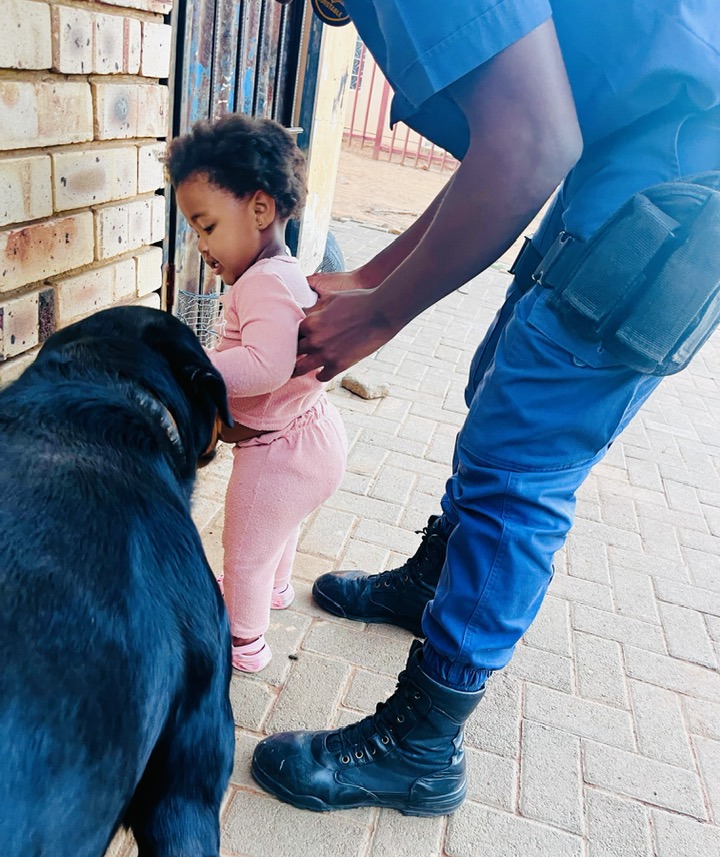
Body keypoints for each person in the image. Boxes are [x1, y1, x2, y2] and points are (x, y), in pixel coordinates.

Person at [251, 1, 720, 812]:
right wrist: (372, 280)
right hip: (618, 154)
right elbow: (519, 138)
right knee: (497, 380)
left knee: (523, 466)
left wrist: (379, 316)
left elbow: (528, 147)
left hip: (676, 186)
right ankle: (435, 583)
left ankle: (421, 746)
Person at [166, 116, 348, 673]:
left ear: (261, 210)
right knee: (278, 527)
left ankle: (243, 643)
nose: (202, 246)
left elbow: (266, 365)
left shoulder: (263, 283)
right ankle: (275, 590)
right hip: (311, 438)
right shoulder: (282, 273)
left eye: (207, 227)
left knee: (243, 551)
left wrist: (190, 367)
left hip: (278, 453)